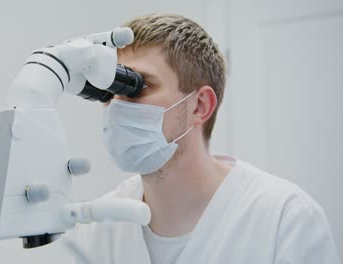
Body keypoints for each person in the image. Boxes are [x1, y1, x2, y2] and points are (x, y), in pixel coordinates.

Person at [68, 13, 341, 264]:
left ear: (200, 106)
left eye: (138, 86)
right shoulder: (98, 226)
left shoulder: (285, 220)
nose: (118, 106)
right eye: (110, 91)